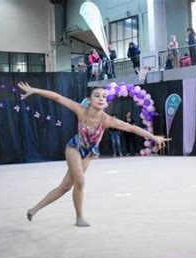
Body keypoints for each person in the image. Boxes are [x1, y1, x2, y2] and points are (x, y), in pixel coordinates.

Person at [18, 82, 169, 227]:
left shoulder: (107, 120)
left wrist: (154, 137)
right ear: (90, 100)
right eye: (97, 96)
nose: (101, 98)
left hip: (89, 153)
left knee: (65, 186)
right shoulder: (80, 110)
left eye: (104, 96)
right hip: (75, 148)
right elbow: (58, 97)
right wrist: (36, 91)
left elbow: (131, 128)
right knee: (81, 181)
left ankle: (34, 210)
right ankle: (80, 217)